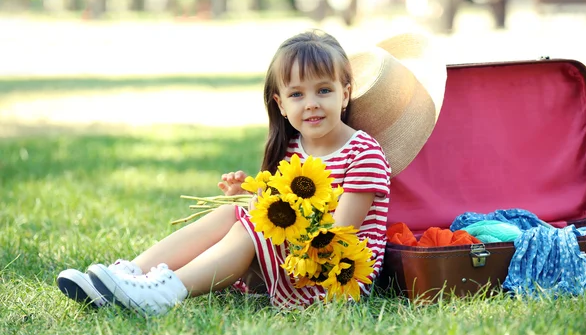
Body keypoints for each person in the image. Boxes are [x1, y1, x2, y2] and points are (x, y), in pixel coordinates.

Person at [56, 29, 441, 315]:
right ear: (280, 103)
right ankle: (126, 275)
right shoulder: (294, 149)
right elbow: (284, 216)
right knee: (234, 214)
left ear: (345, 92)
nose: (311, 104)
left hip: (333, 278)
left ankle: (164, 292)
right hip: (296, 259)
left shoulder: (364, 154)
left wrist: (265, 216)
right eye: (297, 94)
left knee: (249, 224)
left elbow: (332, 236)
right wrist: (255, 197)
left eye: (323, 91)